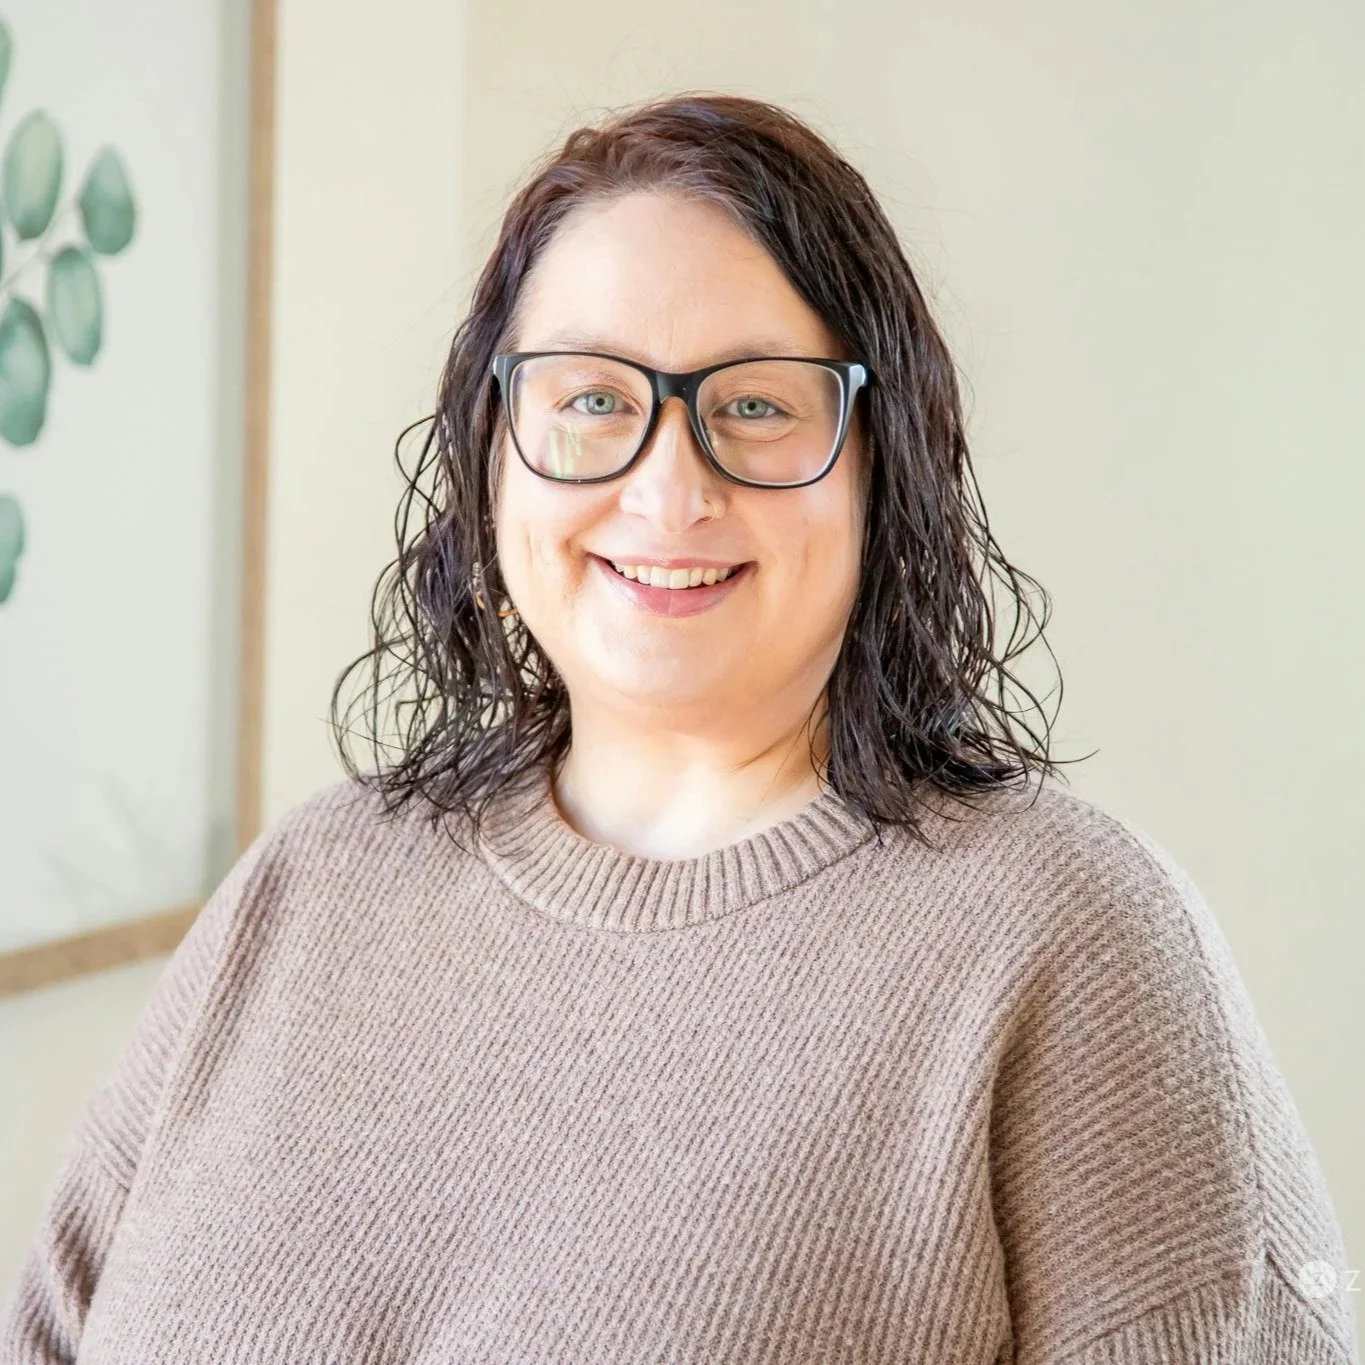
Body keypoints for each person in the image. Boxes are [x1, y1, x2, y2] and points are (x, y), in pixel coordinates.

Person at [2, 92, 1356, 1365]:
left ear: (888, 466)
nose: (667, 490)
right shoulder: (311, 885)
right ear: (492, 445)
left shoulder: (1068, 941)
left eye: (755, 405)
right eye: (592, 398)